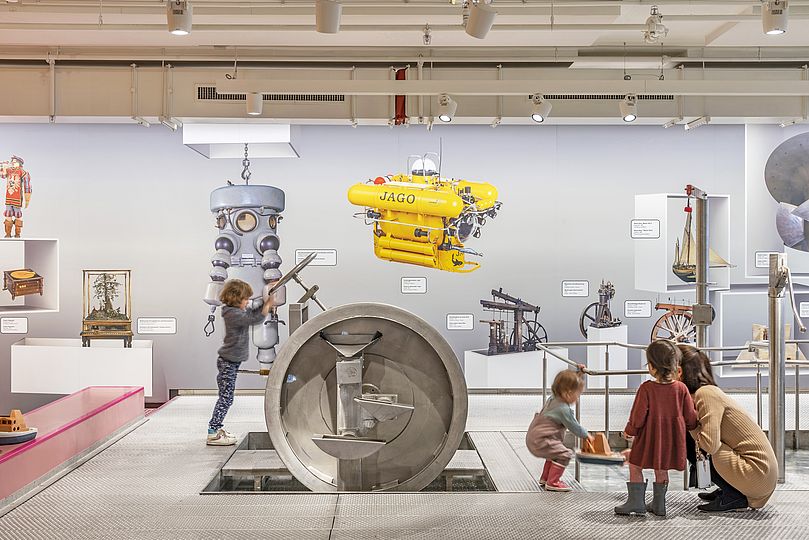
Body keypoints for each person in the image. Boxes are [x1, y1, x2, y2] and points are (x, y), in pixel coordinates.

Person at [678, 344, 777, 512]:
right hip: (760, 475)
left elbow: (710, 445)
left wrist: (690, 423)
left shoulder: (706, 394)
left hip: (757, 474)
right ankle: (730, 490)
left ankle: (733, 496)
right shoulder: (706, 392)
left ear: (681, 371)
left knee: (693, 439)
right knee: (693, 436)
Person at [615, 340, 698, 517]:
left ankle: (636, 503)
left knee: (636, 465)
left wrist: (629, 431)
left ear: (652, 367)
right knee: (662, 469)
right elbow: (690, 416)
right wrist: (693, 426)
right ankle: (659, 505)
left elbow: (637, 417)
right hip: (671, 439)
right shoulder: (681, 389)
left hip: (648, 437)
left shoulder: (646, 389)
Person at [206, 279, 271, 446]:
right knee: (226, 398)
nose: (247, 302)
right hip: (228, 362)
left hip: (230, 362)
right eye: (245, 299)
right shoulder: (233, 314)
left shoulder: (234, 311)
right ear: (236, 298)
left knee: (226, 397)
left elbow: (251, 314)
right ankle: (213, 432)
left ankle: (215, 428)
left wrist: (264, 302)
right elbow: (252, 320)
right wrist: (267, 305)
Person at [526, 366, 593, 492]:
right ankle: (553, 482)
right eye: (577, 395)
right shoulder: (563, 409)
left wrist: (579, 373)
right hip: (541, 440)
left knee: (554, 453)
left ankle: (545, 478)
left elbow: (569, 383)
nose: (577, 399)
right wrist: (587, 435)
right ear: (568, 393)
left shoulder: (553, 398)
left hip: (533, 437)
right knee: (565, 454)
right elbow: (574, 426)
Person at [2, 156, 32, 238]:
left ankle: (17, 234)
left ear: (19, 163)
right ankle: (8, 234)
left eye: (14, 162)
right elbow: (3, 175)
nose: (12, 163)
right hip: (8, 197)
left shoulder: (22, 172)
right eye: (12, 161)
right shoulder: (8, 171)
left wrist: (27, 198)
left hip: (17, 198)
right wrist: (3, 166)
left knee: (18, 215)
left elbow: (27, 185)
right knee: (8, 215)